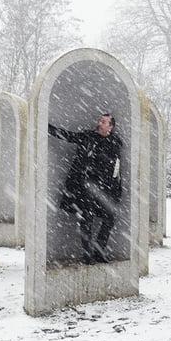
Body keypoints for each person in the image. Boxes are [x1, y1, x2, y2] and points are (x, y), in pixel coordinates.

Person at [48, 113, 123, 264]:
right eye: (99, 120)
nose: (99, 123)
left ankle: (100, 251)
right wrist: (47, 127)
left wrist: (116, 189)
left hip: (105, 190)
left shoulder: (115, 142)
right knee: (86, 219)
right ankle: (88, 254)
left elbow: (116, 168)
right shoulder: (87, 137)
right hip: (86, 187)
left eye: (103, 121)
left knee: (109, 219)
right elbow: (67, 135)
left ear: (111, 127)